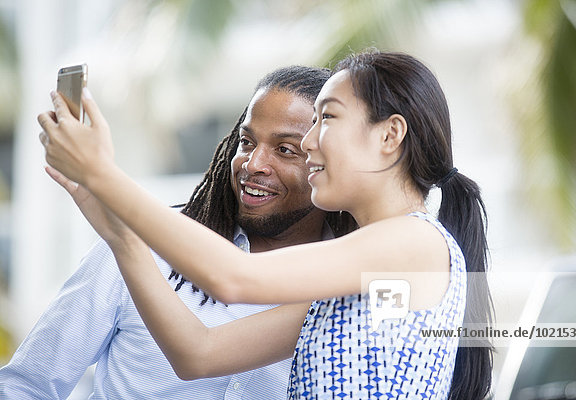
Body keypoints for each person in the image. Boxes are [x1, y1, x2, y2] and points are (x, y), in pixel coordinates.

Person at [37, 50, 494, 399]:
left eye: (327, 118)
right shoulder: (349, 283)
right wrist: (122, 237)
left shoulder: (412, 241)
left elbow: (234, 279)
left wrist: (103, 173)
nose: (311, 141)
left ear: (389, 135)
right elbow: (199, 353)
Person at [0, 66, 356, 399]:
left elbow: (200, 350)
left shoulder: (350, 287)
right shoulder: (143, 242)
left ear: (328, 162)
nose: (253, 164)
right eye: (246, 142)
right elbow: (27, 385)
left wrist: (105, 187)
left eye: (285, 150)